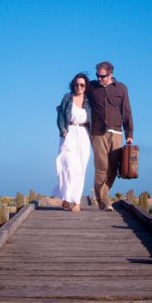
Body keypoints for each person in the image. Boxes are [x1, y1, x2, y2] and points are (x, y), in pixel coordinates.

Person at [87, 61, 133, 211]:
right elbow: (78, 95)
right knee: (102, 166)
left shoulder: (121, 88)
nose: (99, 79)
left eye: (103, 76)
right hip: (97, 132)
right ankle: (104, 201)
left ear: (110, 74)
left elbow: (126, 111)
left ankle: (103, 195)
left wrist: (129, 133)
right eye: (97, 76)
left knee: (113, 168)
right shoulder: (92, 87)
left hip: (117, 132)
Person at [52, 73, 93, 213]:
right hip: (69, 133)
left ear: (86, 86)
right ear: (73, 85)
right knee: (67, 166)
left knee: (80, 169)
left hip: (84, 134)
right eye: (76, 84)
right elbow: (60, 117)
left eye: (82, 84)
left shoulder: (89, 101)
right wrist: (63, 131)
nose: (79, 87)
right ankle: (66, 196)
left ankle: (76, 201)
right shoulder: (67, 98)